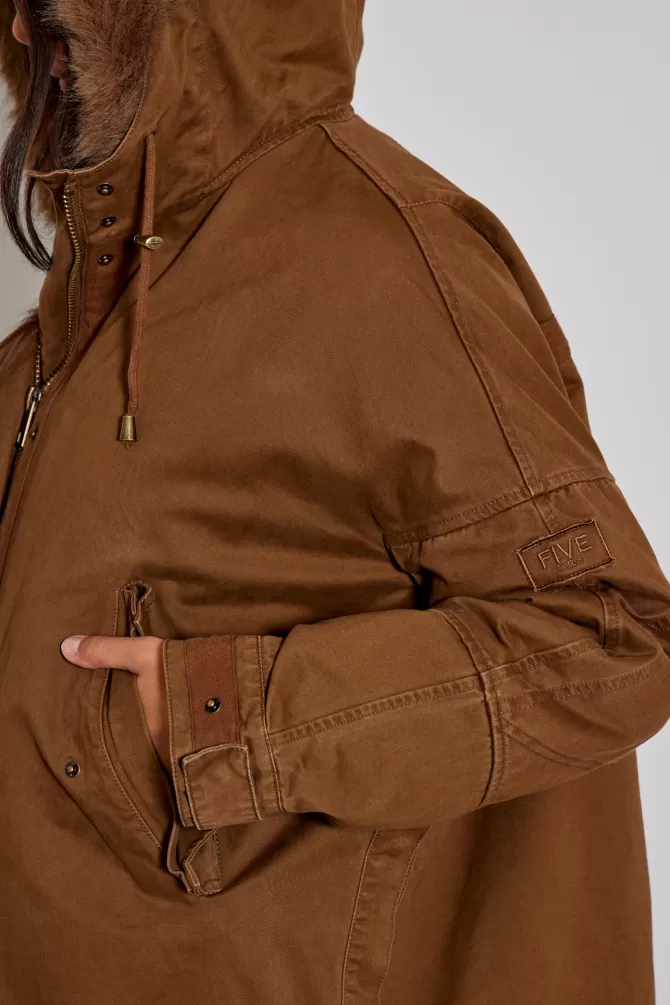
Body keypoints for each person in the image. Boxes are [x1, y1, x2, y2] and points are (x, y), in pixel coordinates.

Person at [0, 2, 668, 1003]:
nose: (23, 34)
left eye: (58, 6)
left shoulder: (380, 251)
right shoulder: (87, 294)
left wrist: (233, 716)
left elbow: (615, 636)